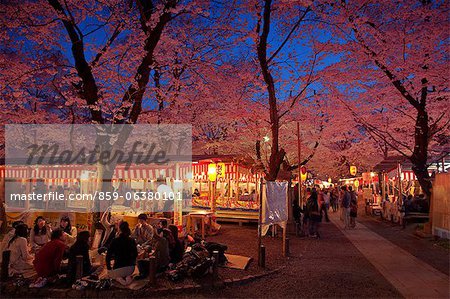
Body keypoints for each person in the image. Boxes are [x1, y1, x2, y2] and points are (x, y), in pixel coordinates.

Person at [106, 221, 138, 286]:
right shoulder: (132, 240)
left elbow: (108, 256)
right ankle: (128, 277)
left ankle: (119, 278)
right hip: (131, 269)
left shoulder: (115, 240)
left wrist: (109, 268)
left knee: (110, 273)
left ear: (119, 229)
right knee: (126, 273)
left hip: (118, 269)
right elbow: (135, 254)